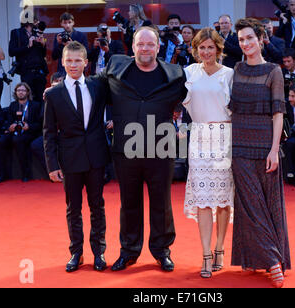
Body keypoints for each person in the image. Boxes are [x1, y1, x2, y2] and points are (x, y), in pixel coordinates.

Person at [96, 27, 187, 272]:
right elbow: (93, 88)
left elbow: (193, 100)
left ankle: (162, 251)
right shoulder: (115, 68)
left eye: (150, 44)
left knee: (162, 202)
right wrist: (61, 89)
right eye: (140, 44)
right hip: (126, 149)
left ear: (158, 48)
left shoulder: (176, 74)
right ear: (132, 46)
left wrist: (185, 131)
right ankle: (129, 252)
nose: (145, 49)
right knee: (129, 203)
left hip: (161, 148)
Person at [230, 18, 290, 288]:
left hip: (265, 146)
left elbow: (278, 113)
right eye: (241, 39)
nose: (246, 44)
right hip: (240, 146)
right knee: (250, 205)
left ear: (262, 38)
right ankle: (272, 260)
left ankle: (267, 257)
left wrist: (274, 150)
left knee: (269, 206)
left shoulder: (273, 71)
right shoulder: (237, 69)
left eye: (250, 38)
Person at [43, 41, 111, 273]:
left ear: (86, 63)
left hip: (96, 157)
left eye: (77, 60)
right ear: (62, 62)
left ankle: (99, 252)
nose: (73, 65)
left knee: (97, 206)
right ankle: (76, 253)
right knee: (73, 208)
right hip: (69, 160)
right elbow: (49, 133)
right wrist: (52, 165)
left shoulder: (98, 86)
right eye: (68, 60)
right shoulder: (53, 95)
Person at [182, 28, 234, 279]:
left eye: (210, 47)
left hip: (224, 137)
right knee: (203, 198)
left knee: (223, 199)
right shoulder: (189, 72)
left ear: (218, 49)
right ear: (196, 49)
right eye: (201, 47)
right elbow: (179, 101)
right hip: (200, 138)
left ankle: (220, 248)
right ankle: (204, 253)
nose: (206, 52)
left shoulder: (229, 74)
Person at [0, 83, 41, 184]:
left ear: (27, 92)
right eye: (18, 90)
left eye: (23, 90)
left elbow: (40, 124)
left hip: (29, 132)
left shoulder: (35, 105)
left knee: (18, 141)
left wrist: (29, 126)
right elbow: (9, 121)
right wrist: (10, 126)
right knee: (0, 141)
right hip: (14, 132)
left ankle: (25, 173)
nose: (21, 92)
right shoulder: (13, 105)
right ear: (16, 93)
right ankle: (1, 174)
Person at [30, 73, 64, 176]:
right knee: (36, 145)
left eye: (60, 82)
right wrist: (48, 101)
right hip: (52, 133)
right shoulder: (47, 97)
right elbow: (42, 118)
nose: (58, 85)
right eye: (56, 83)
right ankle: (51, 170)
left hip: (66, 132)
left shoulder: (69, 96)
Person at [9, 18, 48, 103]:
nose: (37, 22)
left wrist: (43, 44)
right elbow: (11, 52)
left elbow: (43, 54)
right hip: (26, 71)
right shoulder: (16, 32)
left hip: (39, 71)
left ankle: (42, 116)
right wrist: (27, 46)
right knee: (29, 99)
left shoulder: (37, 33)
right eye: (35, 20)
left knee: (41, 99)